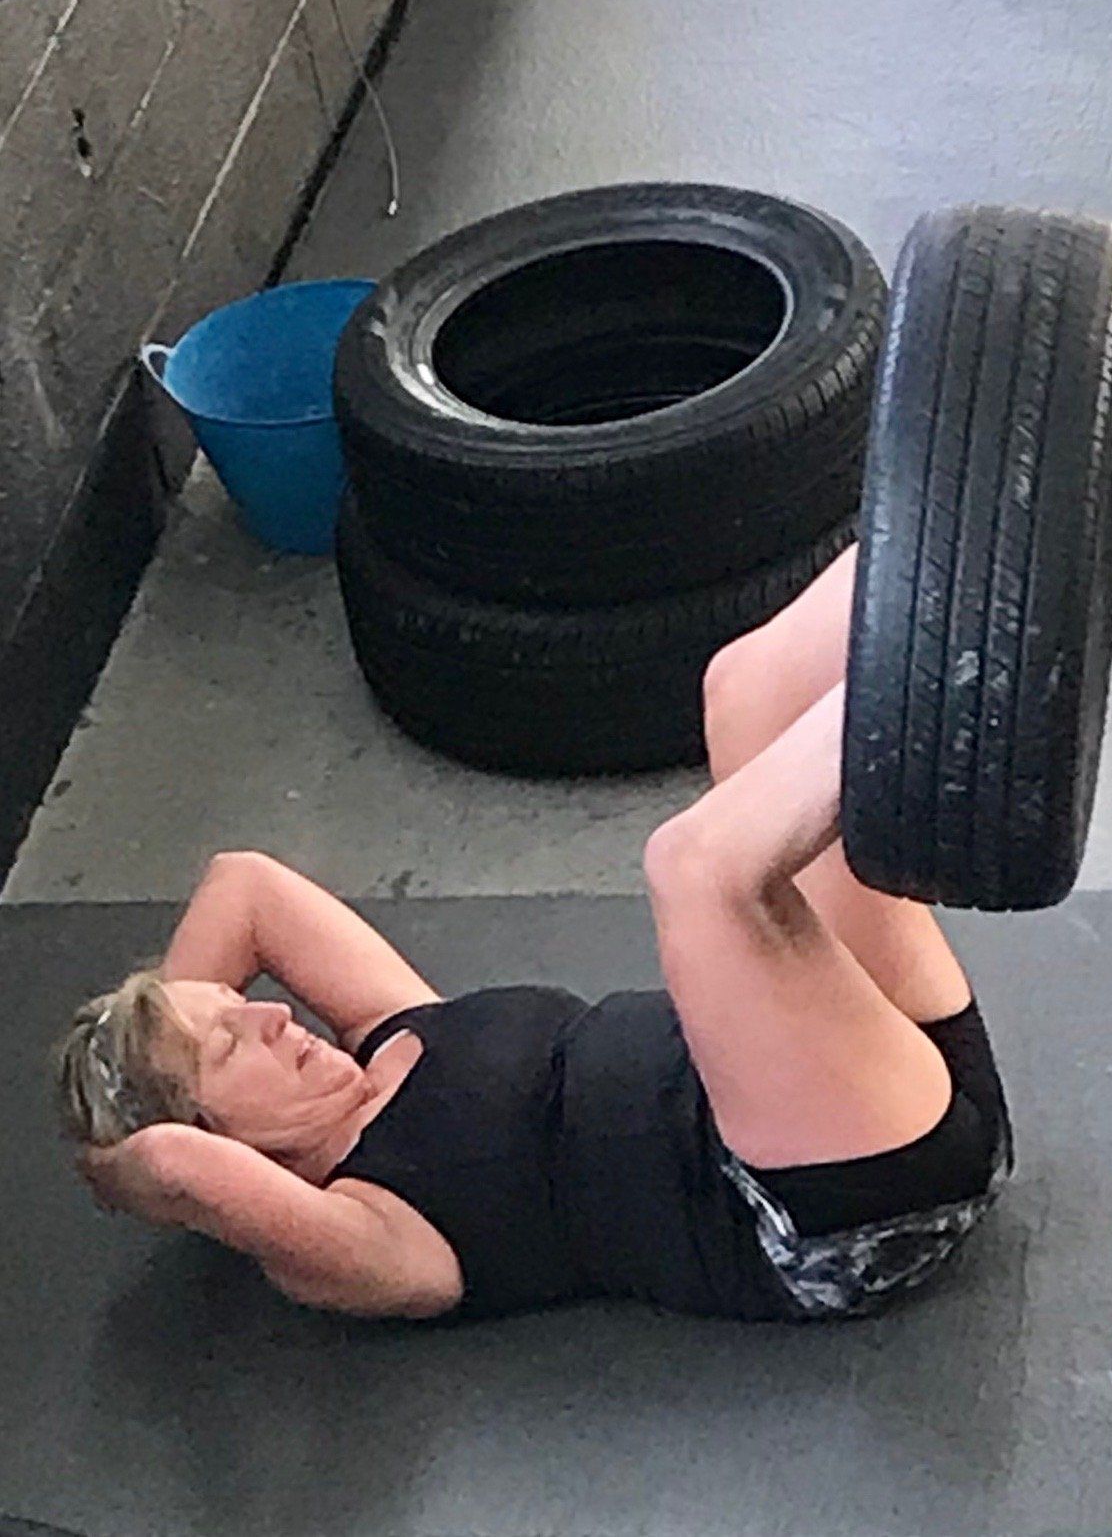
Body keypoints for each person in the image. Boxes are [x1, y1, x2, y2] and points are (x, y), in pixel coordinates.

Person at [59, 547, 1011, 1324]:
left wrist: (175, 1027)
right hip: (844, 1211)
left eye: (243, 1006)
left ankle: (988, 498)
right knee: (699, 874)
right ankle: (963, 673)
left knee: (747, 688)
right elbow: (172, 1165)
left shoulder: (394, 1029)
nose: (270, 1019)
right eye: (231, 1044)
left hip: (901, 1080)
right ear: (213, 1139)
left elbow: (245, 887)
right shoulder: (368, 1234)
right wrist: (126, 1147)